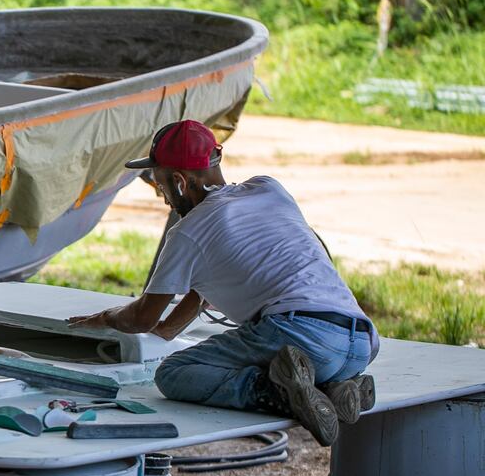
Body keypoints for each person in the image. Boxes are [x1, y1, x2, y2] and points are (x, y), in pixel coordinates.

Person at [67, 120, 377, 446]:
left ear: (180, 182)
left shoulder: (189, 231)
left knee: (173, 374)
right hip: (358, 342)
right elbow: (217, 279)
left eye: (161, 187)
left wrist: (106, 318)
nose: (164, 199)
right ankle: (337, 387)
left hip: (300, 333)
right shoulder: (269, 188)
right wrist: (168, 331)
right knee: (314, 357)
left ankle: (278, 392)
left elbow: (142, 318)